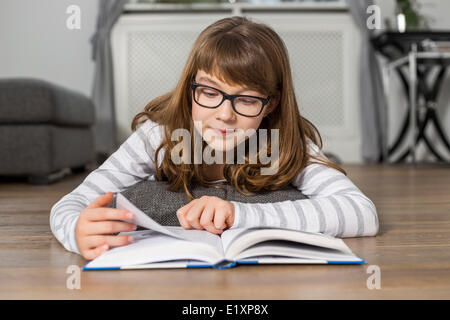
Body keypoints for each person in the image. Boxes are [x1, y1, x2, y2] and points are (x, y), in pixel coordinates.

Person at [50, 16, 379, 261]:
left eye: (247, 99)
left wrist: (239, 215)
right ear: (192, 86)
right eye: (209, 92)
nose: (225, 115)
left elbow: (361, 212)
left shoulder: (287, 143)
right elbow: (70, 205)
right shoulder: (157, 135)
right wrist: (75, 232)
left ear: (271, 104)